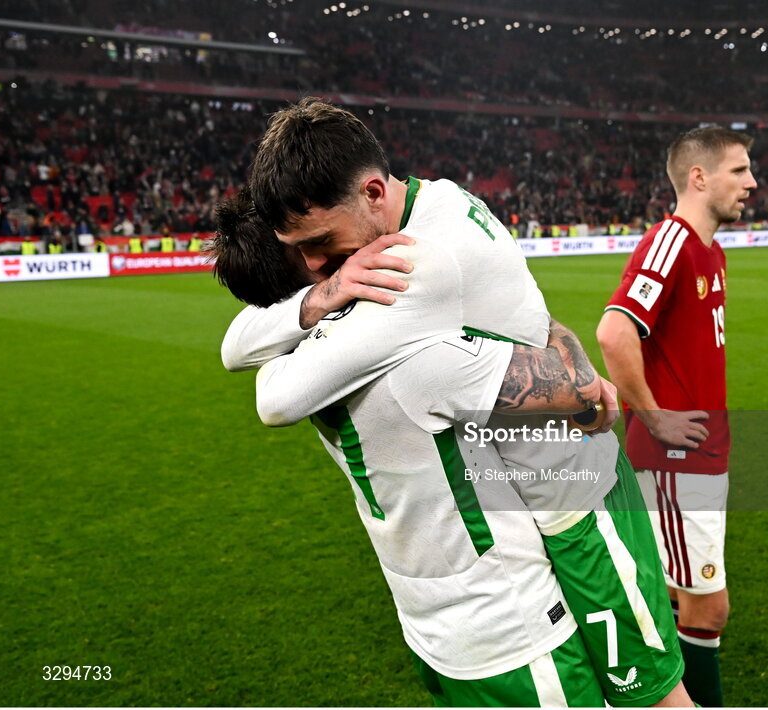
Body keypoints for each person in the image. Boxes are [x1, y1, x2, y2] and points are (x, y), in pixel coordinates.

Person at [222, 98, 692, 707]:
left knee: (657, 699)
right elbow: (534, 319)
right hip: (545, 494)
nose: (314, 266)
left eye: (320, 243)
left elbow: (273, 392)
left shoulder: (414, 267)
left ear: (370, 193)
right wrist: (321, 296)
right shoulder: (440, 197)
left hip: (579, 500)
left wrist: (578, 385)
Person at [596, 126, 757, 707]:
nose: (752, 182)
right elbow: (614, 333)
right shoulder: (672, 241)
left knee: (672, 592)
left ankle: (643, 686)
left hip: (702, 454)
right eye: (739, 171)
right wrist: (656, 417)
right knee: (710, 609)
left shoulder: (711, 251)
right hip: (676, 459)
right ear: (699, 178)